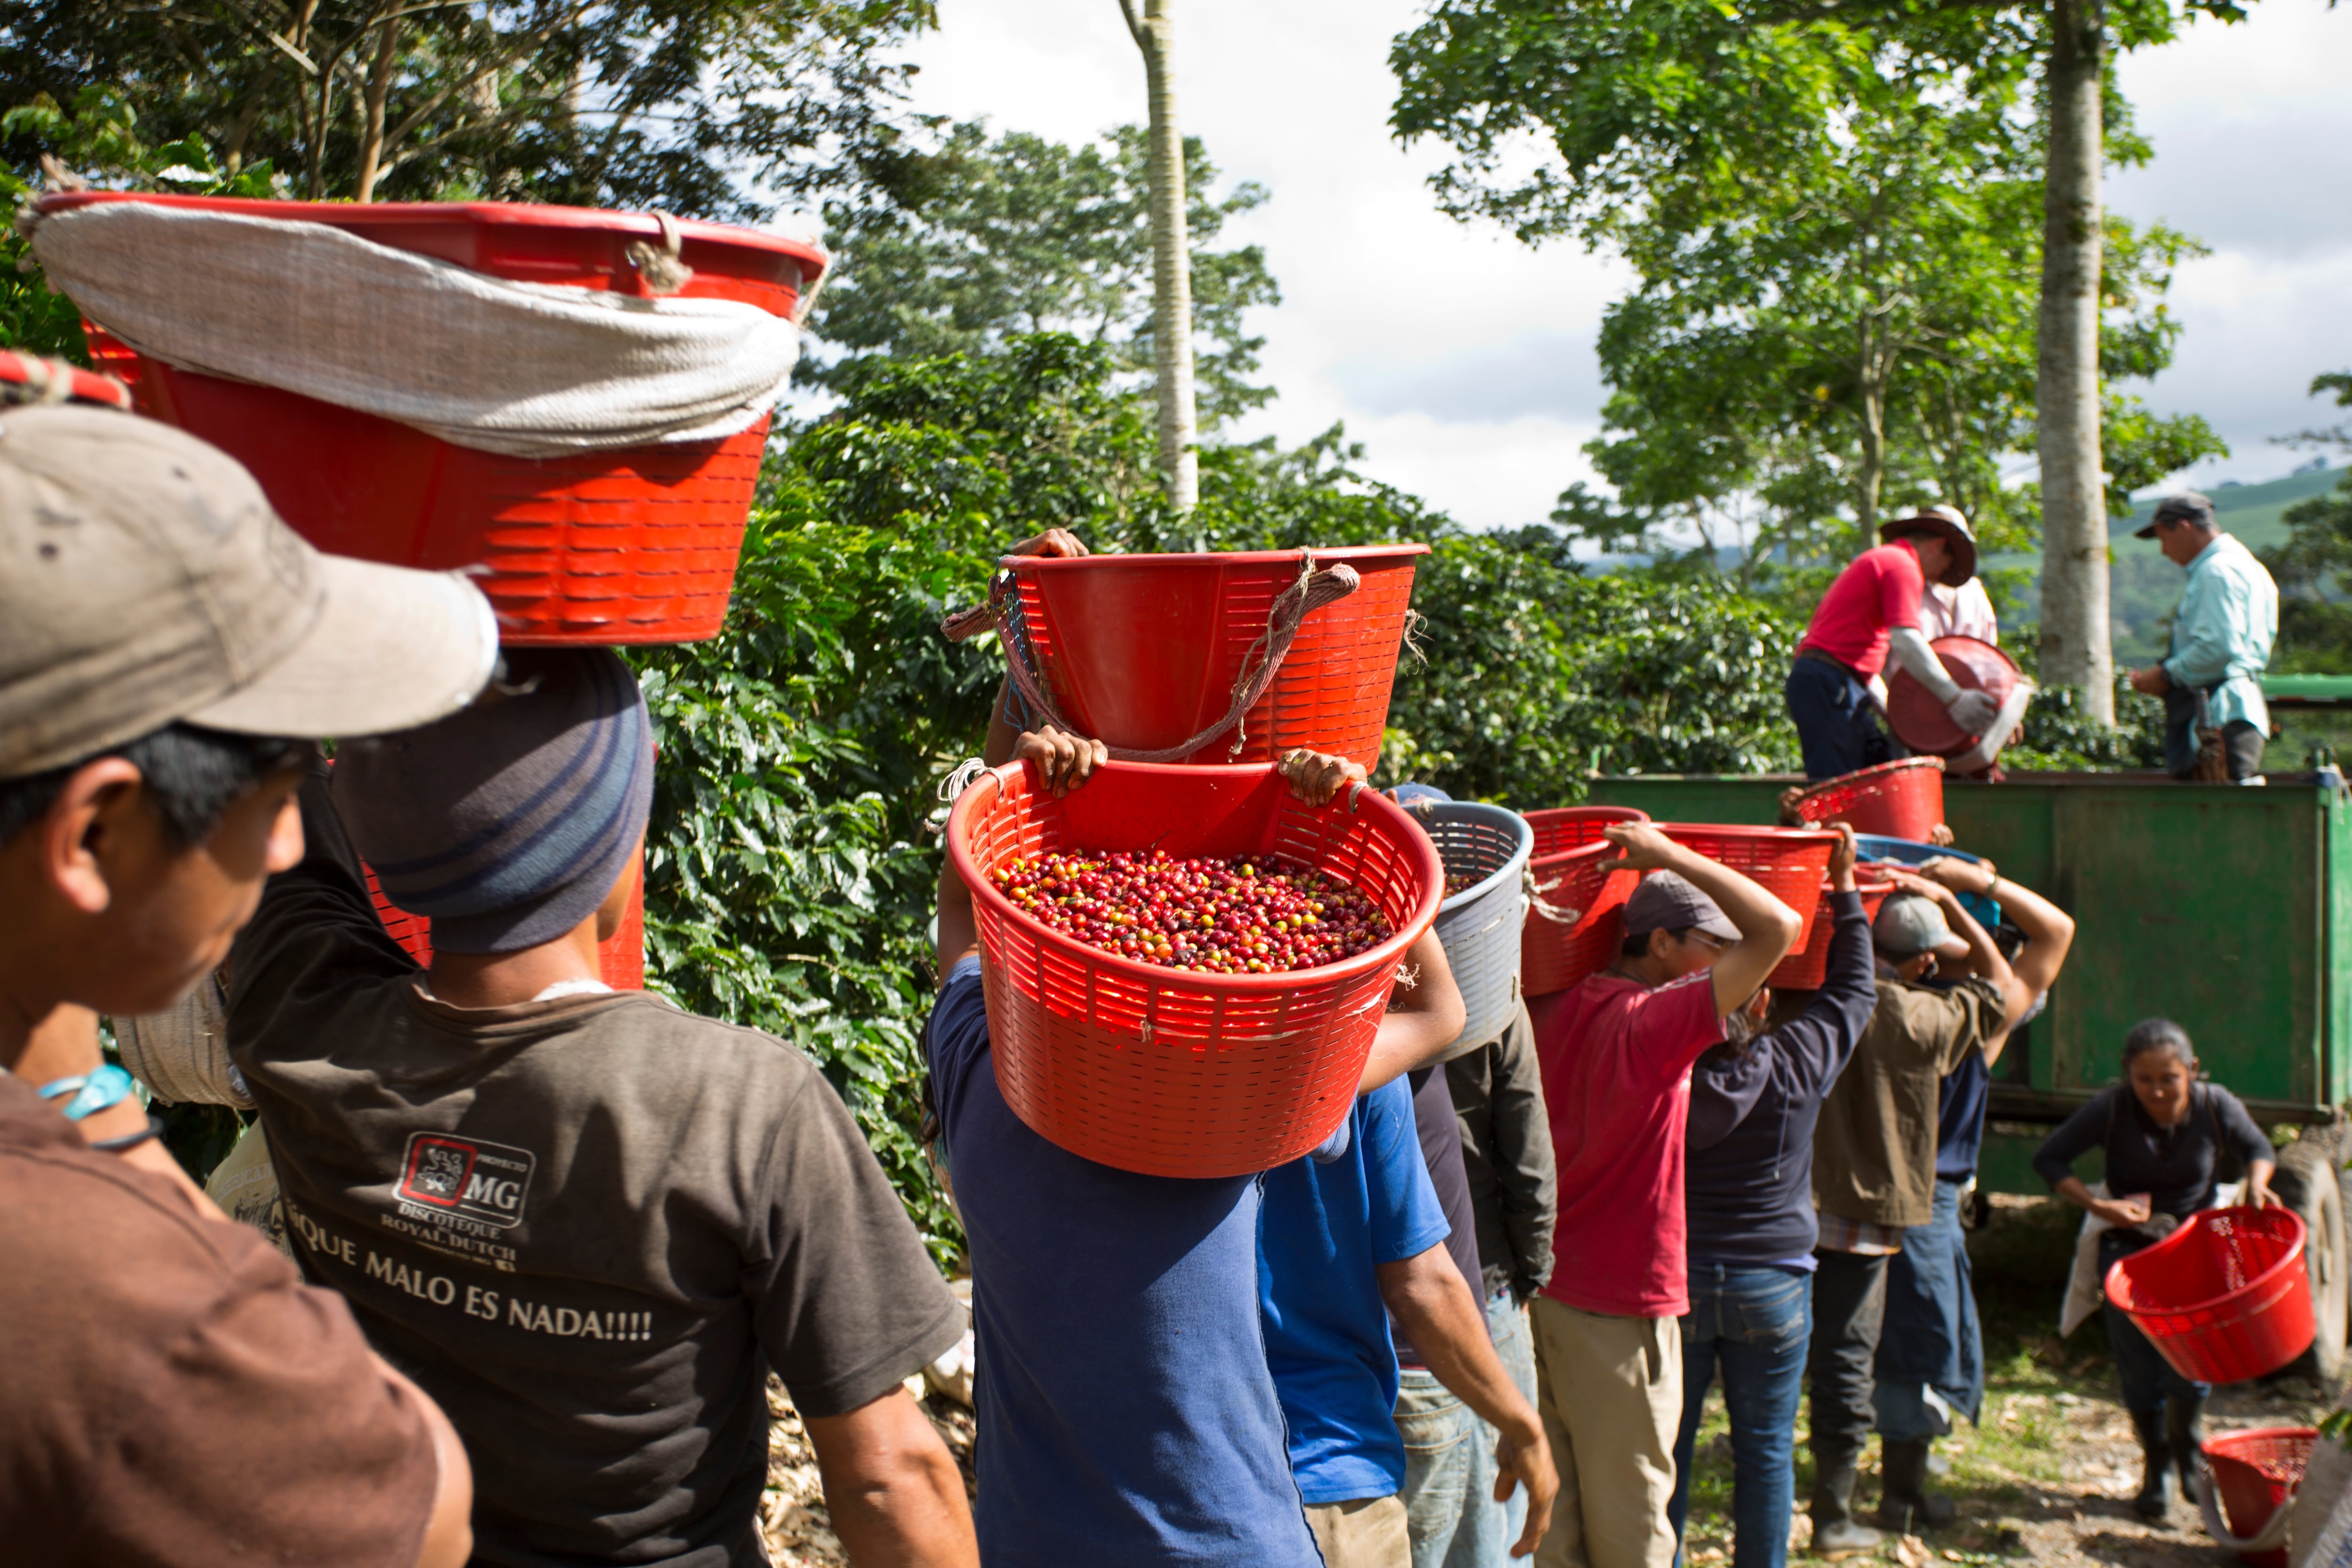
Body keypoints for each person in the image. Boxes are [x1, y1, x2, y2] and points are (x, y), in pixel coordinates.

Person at [227, 648, 977, 1567]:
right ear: (614, 840)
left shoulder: (298, 1018)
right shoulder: (739, 1105)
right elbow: (889, 1476)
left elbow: (269, 789)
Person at [0, 406, 489, 1565]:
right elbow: (430, 1509)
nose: (287, 848)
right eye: (274, 794)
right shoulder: (159, 1328)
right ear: (95, 835)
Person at [1260, 755, 1557, 1568]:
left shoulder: (1121, 1062)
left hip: (1176, 1471)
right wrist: (1520, 1414)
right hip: (1339, 1452)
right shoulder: (1359, 1059)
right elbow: (1422, 1277)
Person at [1528, 823, 1802, 1568]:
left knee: (1556, 1529)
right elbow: (1780, 926)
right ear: (1660, 944)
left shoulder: (1553, 1004)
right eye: (1714, 945)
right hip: (1621, 1304)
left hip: (1545, 1294)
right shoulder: (1655, 1022)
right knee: (1633, 1532)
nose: (1728, 960)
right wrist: (1671, 854)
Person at [1669, 824, 1876, 1568]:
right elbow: (1855, 990)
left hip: (1681, 1281)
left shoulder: (1665, 1068)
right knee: (1764, 1450)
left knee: (1670, 1449)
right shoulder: (1800, 1057)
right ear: (1762, 1006)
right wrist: (1845, 892)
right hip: (1775, 1284)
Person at [1804, 873, 2021, 1550]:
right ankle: (1831, 1515)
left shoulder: (1818, 999)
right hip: (1870, 1219)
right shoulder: (1929, 1018)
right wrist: (1953, 903)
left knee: (1786, 1357)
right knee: (1846, 1360)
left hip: (1795, 1208)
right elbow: (2000, 983)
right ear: (1925, 960)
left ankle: (1785, 1497)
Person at [1870, 859, 2075, 1528]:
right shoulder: (1981, 1015)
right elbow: (2056, 931)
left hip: (1854, 1194)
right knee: (1921, 1338)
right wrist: (1967, 887)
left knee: (1869, 1337)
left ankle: (1873, 1486)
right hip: (1927, 1203)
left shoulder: (1865, 1003)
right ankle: (1901, 1494)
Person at [2033, 1021, 2279, 1520]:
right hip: (2129, 1257)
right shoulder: (2112, 1108)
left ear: (2191, 1070)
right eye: (2144, 1080)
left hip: (2193, 1254)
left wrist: (2256, 1183)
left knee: (2193, 1364)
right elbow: (2050, 1158)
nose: (2157, 1092)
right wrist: (2099, 1206)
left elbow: (2258, 1148)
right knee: (2138, 1367)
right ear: (2127, 1073)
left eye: (2169, 1078)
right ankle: (2156, 1464)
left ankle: (2187, 1447)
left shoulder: (2214, 1105)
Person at [1420, 1000, 1557, 1568]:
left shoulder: (1339, 1001)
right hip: (1480, 1289)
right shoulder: (1489, 996)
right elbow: (1529, 1159)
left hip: (1372, 1311)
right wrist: (1527, 1276)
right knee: (1490, 1536)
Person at [1784, 506, 2001, 780]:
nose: (1942, 574)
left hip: (1841, 683)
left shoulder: (1887, 559)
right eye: (1947, 563)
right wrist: (1955, 699)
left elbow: (1870, 665)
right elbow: (1906, 639)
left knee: (1878, 776)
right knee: (1840, 785)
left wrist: (1904, 722)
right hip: (1829, 682)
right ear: (1937, 547)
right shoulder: (1902, 565)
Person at [2126, 492, 2280, 783]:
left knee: (2217, 806)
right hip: (2237, 709)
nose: (2164, 551)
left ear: (2184, 527)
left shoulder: (2215, 572)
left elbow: (2218, 649)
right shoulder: (2247, 565)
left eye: (2164, 539)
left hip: (2220, 716)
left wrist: (2166, 674)